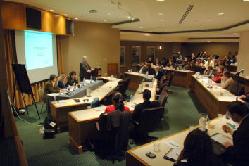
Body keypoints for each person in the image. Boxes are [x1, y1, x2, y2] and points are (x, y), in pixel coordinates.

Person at [221, 101, 249, 166]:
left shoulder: (242, 132)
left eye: (230, 115)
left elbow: (238, 152)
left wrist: (229, 147)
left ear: (235, 115)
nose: (230, 117)